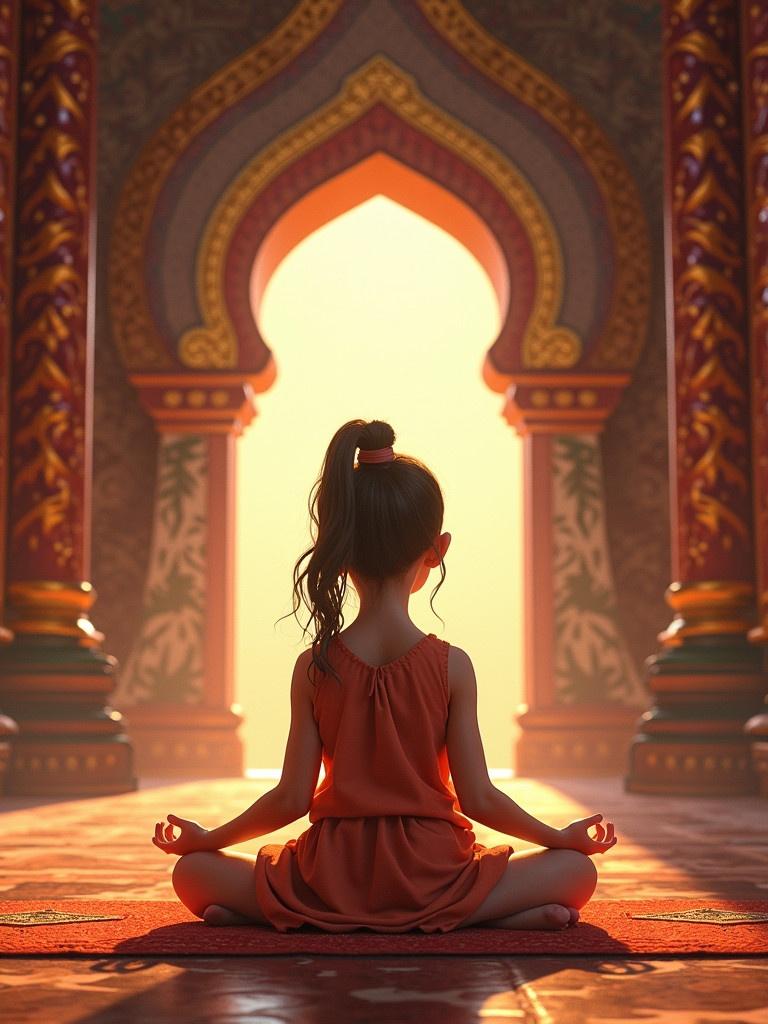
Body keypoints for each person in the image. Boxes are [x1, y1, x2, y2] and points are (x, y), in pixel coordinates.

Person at [152, 418, 617, 932]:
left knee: (192, 874)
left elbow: (290, 798)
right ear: (437, 550)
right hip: (435, 872)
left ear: (342, 550)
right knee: (576, 873)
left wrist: (206, 841)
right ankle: (470, 915)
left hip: (330, 875)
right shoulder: (451, 666)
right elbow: (480, 797)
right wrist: (561, 839)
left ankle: (293, 915)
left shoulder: (314, 665)